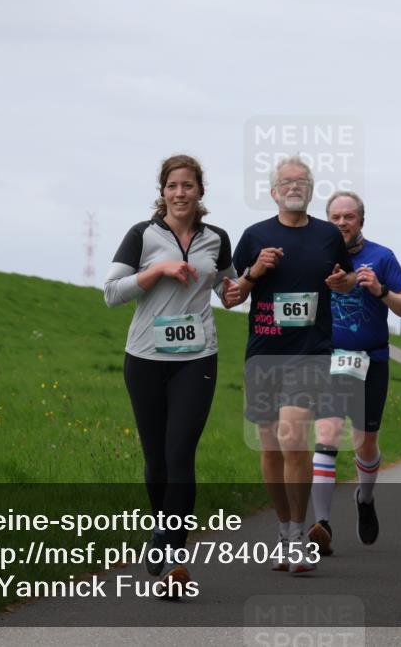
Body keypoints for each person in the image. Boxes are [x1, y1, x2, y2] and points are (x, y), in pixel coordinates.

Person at [104, 154, 239, 597]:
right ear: (162, 192)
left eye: (188, 185)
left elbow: (228, 292)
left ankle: (177, 555)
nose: (180, 193)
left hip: (197, 358)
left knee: (181, 454)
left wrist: (249, 281)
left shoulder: (217, 239)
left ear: (201, 192)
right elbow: (111, 293)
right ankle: (161, 527)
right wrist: (157, 270)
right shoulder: (142, 235)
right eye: (172, 186)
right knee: (156, 459)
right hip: (144, 358)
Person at [228, 156, 355, 575]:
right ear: (273, 191)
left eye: (302, 181)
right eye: (286, 181)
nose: (294, 186)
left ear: (311, 189)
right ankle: (283, 532)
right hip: (264, 351)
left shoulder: (327, 236)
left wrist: (343, 283)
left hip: (310, 352)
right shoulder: (253, 236)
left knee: (292, 436)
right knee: (270, 449)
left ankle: (299, 535)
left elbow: (347, 278)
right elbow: (231, 297)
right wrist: (253, 271)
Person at [308, 191, 401, 555]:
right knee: (326, 434)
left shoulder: (382, 257)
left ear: (361, 221)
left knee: (365, 441)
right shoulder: (316, 255)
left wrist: (381, 290)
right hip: (329, 358)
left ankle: (365, 498)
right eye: (335, 217)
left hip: (372, 359)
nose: (341, 223)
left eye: (348, 217)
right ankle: (321, 525)